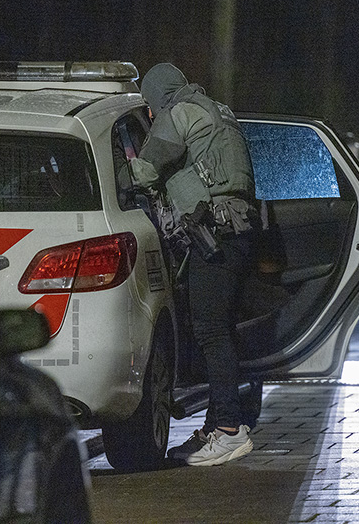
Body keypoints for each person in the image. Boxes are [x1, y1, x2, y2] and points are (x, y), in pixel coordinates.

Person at [129, 62, 260, 467]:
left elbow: (145, 171)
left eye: (149, 107)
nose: (151, 116)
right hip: (239, 229)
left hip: (215, 234)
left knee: (211, 332)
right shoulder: (219, 110)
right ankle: (218, 422)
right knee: (221, 329)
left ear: (157, 99)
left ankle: (229, 432)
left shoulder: (178, 113)